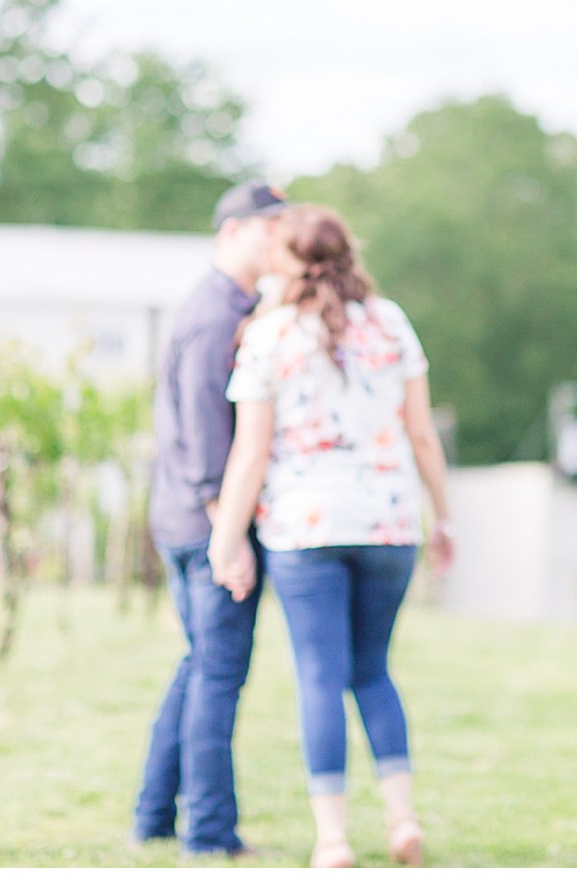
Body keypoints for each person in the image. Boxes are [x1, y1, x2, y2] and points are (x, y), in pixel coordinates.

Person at [205, 205, 454, 869]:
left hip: (305, 527)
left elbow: (250, 454)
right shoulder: (391, 321)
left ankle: (334, 839)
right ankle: (402, 819)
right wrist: (445, 517)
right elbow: (422, 435)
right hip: (390, 522)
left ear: (286, 261)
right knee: (372, 672)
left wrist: (224, 539)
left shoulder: (270, 334)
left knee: (320, 678)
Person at [131, 180, 292, 858]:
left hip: (191, 519)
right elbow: (204, 440)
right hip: (205, 524)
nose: (281, 238)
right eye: (269, 226)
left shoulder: (238, 305)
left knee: (200, 666)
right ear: (233, 232)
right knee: (219, 674)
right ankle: (209, 833)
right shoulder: (213, 314)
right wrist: (229, 536)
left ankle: (152, 816)